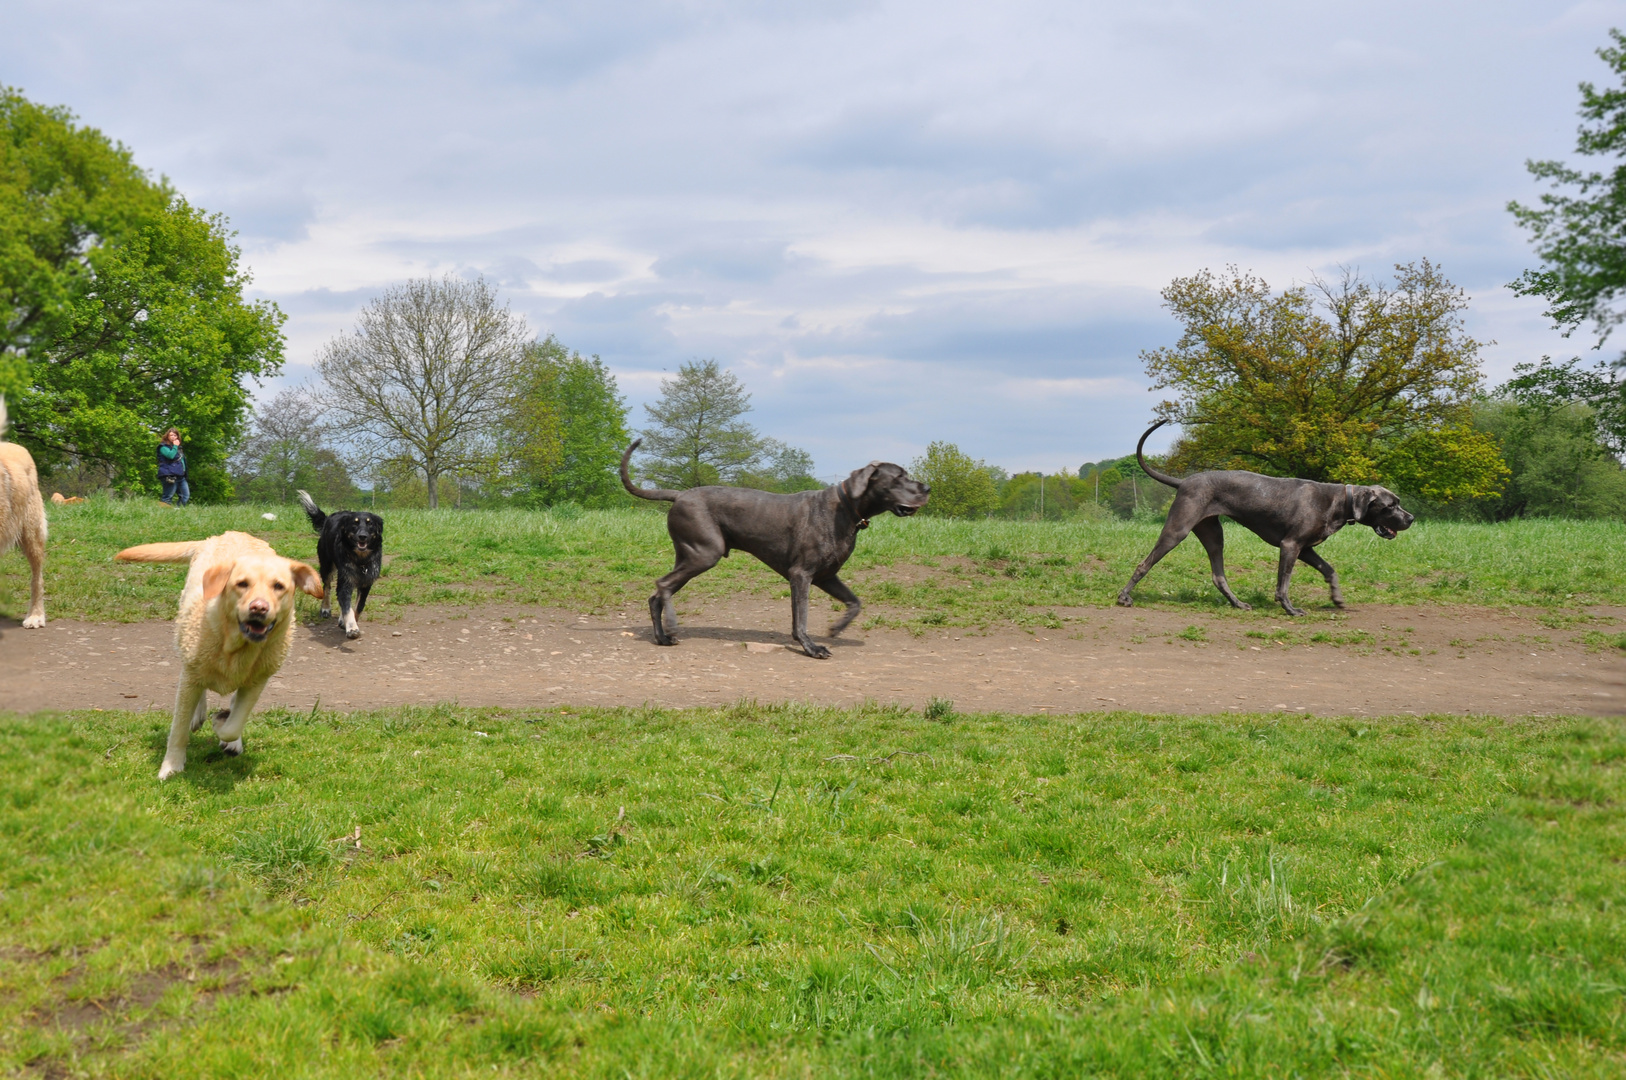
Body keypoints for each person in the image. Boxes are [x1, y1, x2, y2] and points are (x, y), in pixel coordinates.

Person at [157, 428, 189, 506]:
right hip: (169, 475)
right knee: (167, 497)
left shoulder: (179, 448)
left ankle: (178, 511)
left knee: (185, 496)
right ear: (167, 436)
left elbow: (182, 462)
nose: (173, 437)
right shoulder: (163, 447)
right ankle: (162, 514)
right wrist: (175, 446)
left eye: (175, 435)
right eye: (171, 435)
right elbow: (170, 456)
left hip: (180, 476)